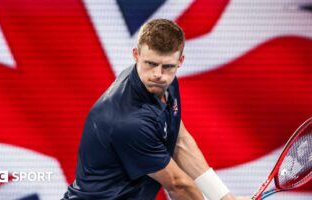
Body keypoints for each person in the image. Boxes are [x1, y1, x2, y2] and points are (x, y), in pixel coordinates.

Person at [63, 19, 250, 200]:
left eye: (167, 66)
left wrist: (224, 197)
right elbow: (178, 185)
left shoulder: (164, 84)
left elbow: (179, 142)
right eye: (150, 64)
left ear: (180, 61)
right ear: (136, 55)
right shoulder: (129, 122)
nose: (158, 75)